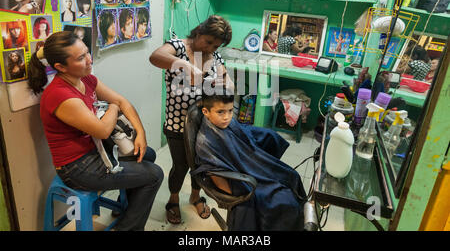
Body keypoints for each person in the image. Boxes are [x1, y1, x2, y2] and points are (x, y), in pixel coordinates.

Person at [27, 31, 164, 231]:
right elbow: (102, 129)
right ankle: (128, 227)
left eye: (86, 52)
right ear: (60, 67)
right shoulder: (60, 95)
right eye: (81, 58)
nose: (89, 60)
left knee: (146, 153)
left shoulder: (87, 79)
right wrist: (113, 107)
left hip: (95, 151)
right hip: (77, 167)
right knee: (155, 175)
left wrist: (140, 133)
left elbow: (123, 100)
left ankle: (128, 210)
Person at [149, 15, 233, 225]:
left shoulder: (214, 57)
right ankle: (173, 200)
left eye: (216, 45)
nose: (211, 48)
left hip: (204, 123)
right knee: (181, 165)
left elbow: (229, 84)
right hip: (177, 123)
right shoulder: (178, 47)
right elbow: (155, 57)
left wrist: (221, 84)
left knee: (200, 164)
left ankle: (195, 196)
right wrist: (183, 65)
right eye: (208, 42)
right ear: (198, 33)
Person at [192, 91, 306, 230]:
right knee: (285, 202)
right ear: (206, 111)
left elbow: (244, 134)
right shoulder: (205, 143)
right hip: (240, 182)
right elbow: (214, 174)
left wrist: (269, 136)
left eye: (230, 110)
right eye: (221, 112)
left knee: (291, 175)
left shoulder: (226, 123)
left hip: (248, 167)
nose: (227, 117)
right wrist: (239, 197)